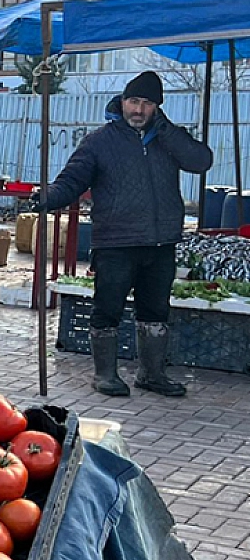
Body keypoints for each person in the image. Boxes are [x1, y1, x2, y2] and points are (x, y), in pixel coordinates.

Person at [39, 70, 212, 397]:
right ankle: (104, 374)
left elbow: (201, 161)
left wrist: (167, 131)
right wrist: (47, 197)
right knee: (108, 307)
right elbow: (72, 181)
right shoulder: (99, 142)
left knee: (156, 310)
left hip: (161, 242)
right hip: (116, 242)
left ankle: (151, 373)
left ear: (157, 108)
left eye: (147, 104)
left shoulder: (168, 139)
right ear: (122, 102)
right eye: (134, 101)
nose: (139, 109)